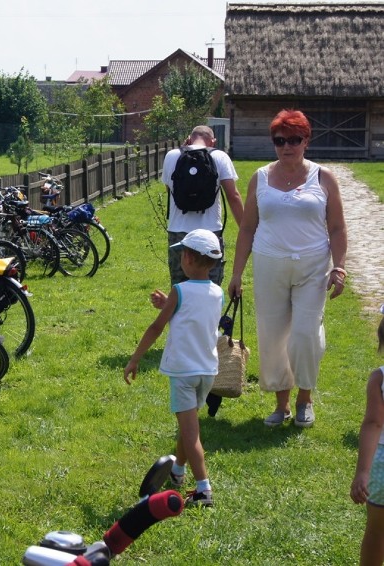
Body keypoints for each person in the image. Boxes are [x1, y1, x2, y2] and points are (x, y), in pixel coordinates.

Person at [227, 109, 347, 428]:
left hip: (312, 267)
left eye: (294, 139)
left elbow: (336, 227)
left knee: (305, 334)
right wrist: (237, 273)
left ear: (306, 140)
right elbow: (248, 228)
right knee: (273, 335)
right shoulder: (260, 177)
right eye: (280, 140)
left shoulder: (323, 178)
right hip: (269, 267)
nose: (286, 146)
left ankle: (305, 399)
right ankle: (282, 406)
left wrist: (340, 267)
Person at [124, 229, 224, 508]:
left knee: (191, 435)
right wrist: (168, 305)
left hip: (183, 372)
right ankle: (178, 472)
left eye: (182, 254)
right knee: (187, 424)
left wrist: (135, 358)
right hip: (207, 370)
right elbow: (192, 316)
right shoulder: (217, 293)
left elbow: (157, 326)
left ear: (189, 258)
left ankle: (204, 489)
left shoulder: (179, 290)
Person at [153, 125, 244, 417]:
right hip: (209, 234)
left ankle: (182, 347)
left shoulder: (171, 157)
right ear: (212, 140)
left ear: (188, 138)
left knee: (180, 293)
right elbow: (232, 196)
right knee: (210, 295)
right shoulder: (220, 157)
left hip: (178, 233)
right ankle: (208, 347)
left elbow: (172, 190)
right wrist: (248, 231)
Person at [350, 310, 384, 566]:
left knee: (376, 531)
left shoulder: (379, 378)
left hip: (382, 467)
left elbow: (373, 424)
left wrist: (363, 472)